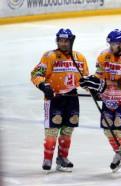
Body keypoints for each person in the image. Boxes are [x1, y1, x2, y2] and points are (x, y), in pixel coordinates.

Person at [80, 29, 121, 173]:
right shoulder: (103, 55)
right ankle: (118, 152)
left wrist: (106, 84)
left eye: (113, 44)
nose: (110, 47)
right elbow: (99, 75)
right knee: (108, 130)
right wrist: (90, 83)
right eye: (110, 44)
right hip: (107, 99)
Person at [31, 28, 89, 172]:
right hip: (54, 98)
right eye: (60, 40)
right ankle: (47, 158)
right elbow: (36, 73)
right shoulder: (50, 56)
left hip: (72, 97)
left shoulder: (79, 57)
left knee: (68, 129)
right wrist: (43, 86)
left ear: (71, 41)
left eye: (66, 41)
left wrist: (94, 89)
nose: (63, 43)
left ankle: (62, 158)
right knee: (52, 129)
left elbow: (85, 79)